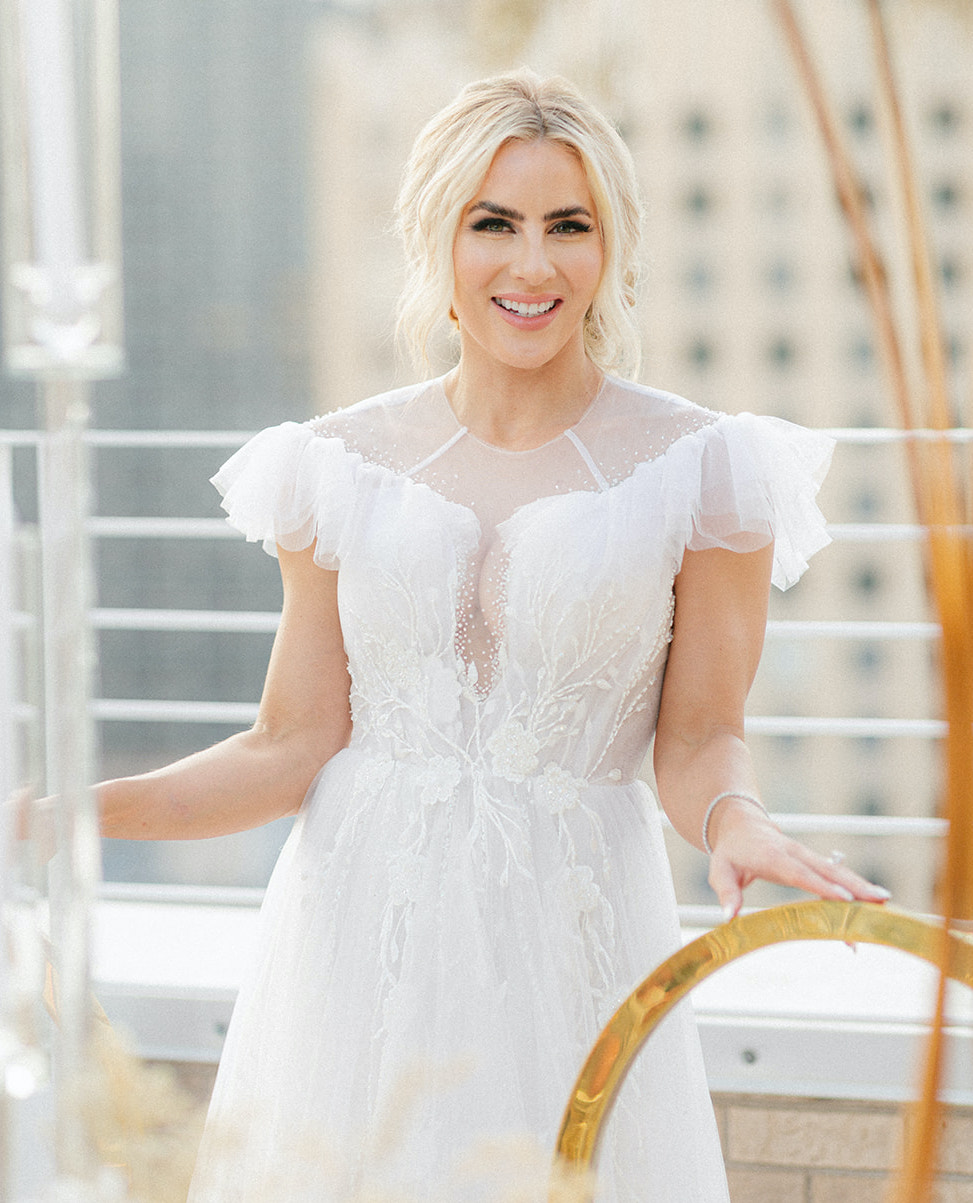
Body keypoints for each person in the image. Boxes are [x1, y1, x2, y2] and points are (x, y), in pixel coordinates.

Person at [95, 71, 889, 1201]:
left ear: (610, 246)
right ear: (439, 239)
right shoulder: (335, 466)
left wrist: (735, 820)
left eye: (570, 225)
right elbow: (286, 745)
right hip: (353, 958)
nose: (533, 264)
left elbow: (701, 736)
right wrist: (63, 818)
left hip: (569, 954)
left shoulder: (704, 470)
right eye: (494, 223)